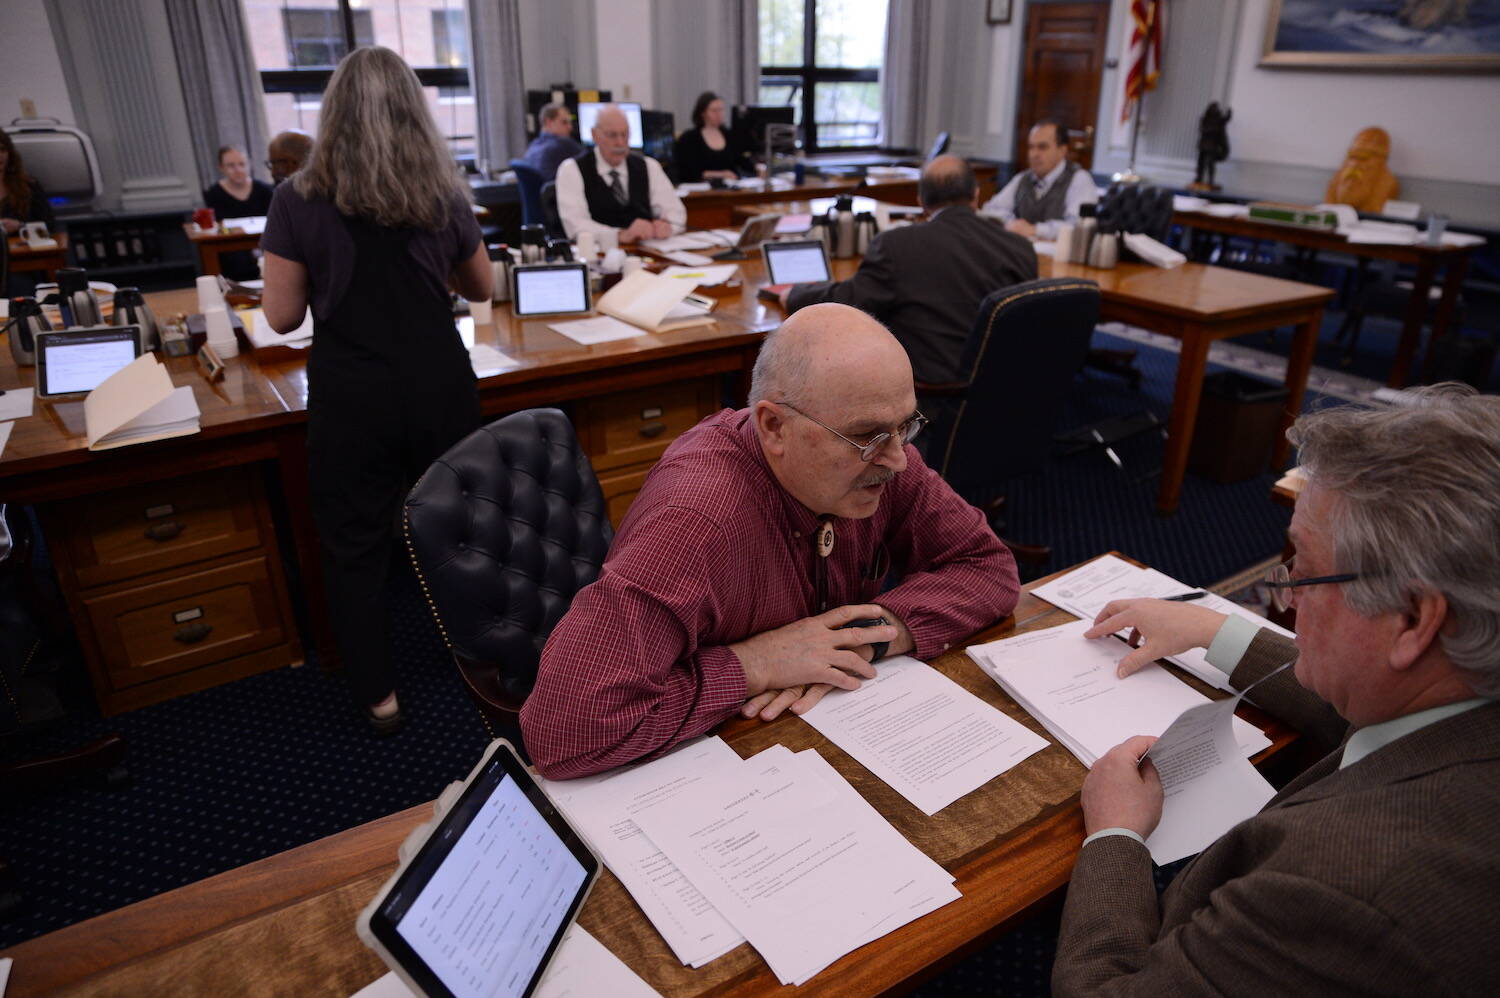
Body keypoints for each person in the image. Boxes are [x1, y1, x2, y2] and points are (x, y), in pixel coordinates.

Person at [1053, 383, 1500, 996]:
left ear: (1415, 620)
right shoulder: (1465, 696)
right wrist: (1214, 631)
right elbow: (1390, 699)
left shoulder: (1337, 893)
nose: (1285, 600)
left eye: (1308, 574)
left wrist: (1114, 835)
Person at [520, 303, 1019, 779]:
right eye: (867, 436)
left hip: (821, 739)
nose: (899, 460)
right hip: (711, 776)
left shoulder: (880, 456)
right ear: (774, 427)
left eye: (906, 425)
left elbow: (988, 566)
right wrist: (754, 664)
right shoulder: (695, 522)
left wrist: (864, 637)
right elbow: (565, 733)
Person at [260, 47, 492, 735]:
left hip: (353, 392)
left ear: (332, 117)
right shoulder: (440, 193)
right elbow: (481, 288)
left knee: (354, 542)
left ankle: (379, 695)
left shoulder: (294, 199)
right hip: (437, 382)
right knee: (460, 528)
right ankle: (488, 663)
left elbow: (280, 316)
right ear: (414, 114)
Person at [781, 155, 1037, 387]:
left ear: (921, 202)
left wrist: (795, 295)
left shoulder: (896, 246)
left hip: (928, 405)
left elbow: (850, 302)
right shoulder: (1020, 248)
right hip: (1004, 398)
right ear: (976, 196)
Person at [555, 103, 685, 244]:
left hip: (648, 252)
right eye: (612, 135)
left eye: (625, 134)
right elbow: (576, 226)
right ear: (594, 135)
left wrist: (667, 226)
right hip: (600, 255)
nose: (620, 142)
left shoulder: (648, 166)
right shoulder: (572, 170)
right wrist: (619, 235)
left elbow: (676, 213)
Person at [981, 121, 1097, 240]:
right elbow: (991, 209)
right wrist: (1011, 223)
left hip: (1056, 256)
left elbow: (1079, 227)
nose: (1034, 154)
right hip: (1021, 250)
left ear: (1062, 150)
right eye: (1031, 147)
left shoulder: (1079, 179)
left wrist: (1036, 230)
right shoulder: (1023, 178)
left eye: (1042, 147)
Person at [201, 145, 274, 281]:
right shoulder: (214, 193)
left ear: (249, 165)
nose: (238, 170)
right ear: (221, 168)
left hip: (264, 242)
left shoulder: (264, 190)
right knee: (237, 261)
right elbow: (218, 225)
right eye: (231, 166)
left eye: (242, 164)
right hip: (232, 249)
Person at [674, 91, 750, 182]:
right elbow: (686, 171)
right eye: (714, 111)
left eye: (721, 110)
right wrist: (721, 174)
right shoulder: (688, 138)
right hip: (700, 191)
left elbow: (742, 161)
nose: (719, 114)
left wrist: (758, 168)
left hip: (731, 189)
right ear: (702, 113)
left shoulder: (731, 136)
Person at [0, 129, 56, 236]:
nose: (0, 155)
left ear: (10, 153)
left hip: (26, 249)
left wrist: (20, 226)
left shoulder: (29, 185)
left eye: (2, 150)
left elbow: (49, 226)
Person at [521, 102, 583, 182]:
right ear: (549, 122)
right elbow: (592, 161)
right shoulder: (563, 144)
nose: (570, 127)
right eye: (564, 122)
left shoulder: (533, 146)